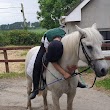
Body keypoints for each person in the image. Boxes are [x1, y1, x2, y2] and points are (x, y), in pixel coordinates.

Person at [30, 28, 86, 99]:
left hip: (60, 45)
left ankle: (77, 81)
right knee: (37, 64)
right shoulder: (47, 40)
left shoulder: (65, 38)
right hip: (45, 47)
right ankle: (35, 89)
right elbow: (51, 59)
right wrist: (64, 73)